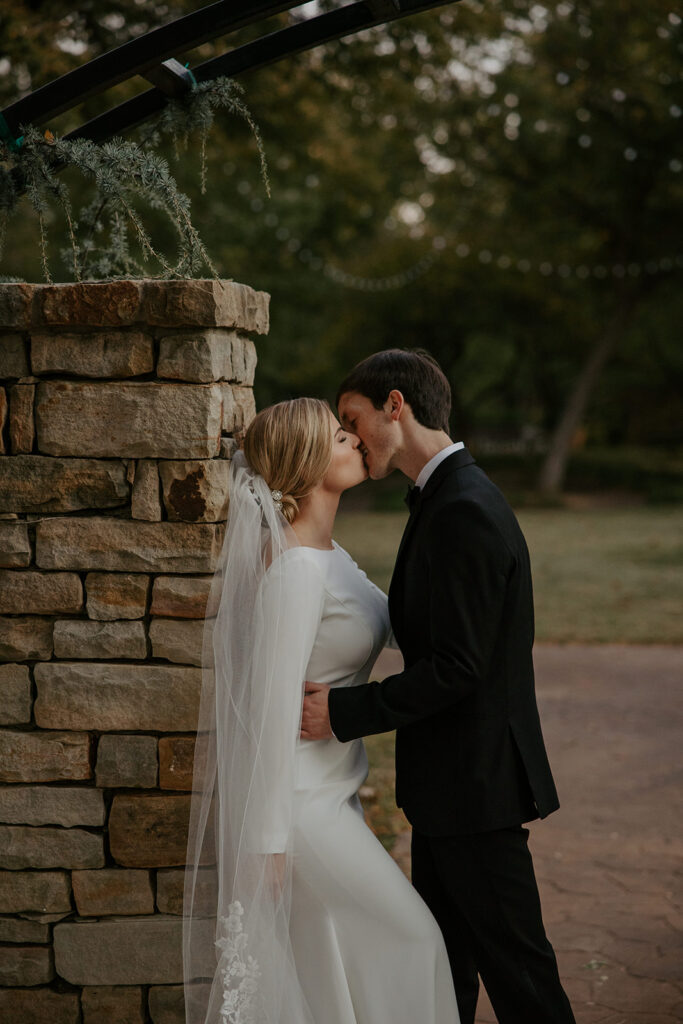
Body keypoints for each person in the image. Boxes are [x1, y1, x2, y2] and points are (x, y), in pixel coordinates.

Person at [301, 349, 576, 1024]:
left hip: (475, 789)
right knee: (440, 968)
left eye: (352, 417)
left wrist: (341, 710)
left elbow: (459, 666)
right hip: (449, 788)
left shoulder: (464, 509)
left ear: (395, 405)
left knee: (520, 977)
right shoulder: (445, 497)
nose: (350, 433)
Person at [183, 397, 461, 1024]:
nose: (358, 443)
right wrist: (268, 843)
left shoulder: (329, 555)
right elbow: (265, 714)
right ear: (308, 463)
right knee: (414, 937)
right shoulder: (293, 574)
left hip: (336, 794)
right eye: (340, 438)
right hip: (302, 812)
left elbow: (395, 626)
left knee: (336, 962)